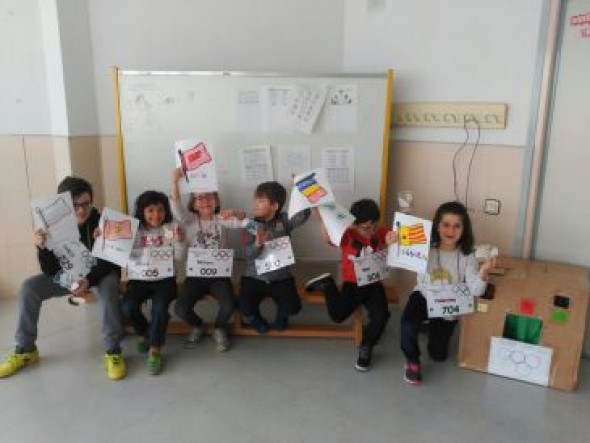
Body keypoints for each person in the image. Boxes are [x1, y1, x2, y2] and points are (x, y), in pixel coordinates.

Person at [0, 176, 126, 380]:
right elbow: (50, 270)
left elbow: (112, 265)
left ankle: (113, 350)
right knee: (29, 287)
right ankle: (25, 349)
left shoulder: (103, 222)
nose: (82, 210)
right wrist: (42, 248)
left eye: (86, 204)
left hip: (97, 277)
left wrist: (90, 277)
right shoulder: (52, 227)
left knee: (110, 282)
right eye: (75, 206)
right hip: (68, 278)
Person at [397, 201, 496, 385]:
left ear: (464, 230)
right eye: (446, 224)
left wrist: (483, 271)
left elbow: (476, 290)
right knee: (407, 326)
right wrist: (394, 241)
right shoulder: (425, 247)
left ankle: (428, 327)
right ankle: (412, 362)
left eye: (457, 226)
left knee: (438, 356)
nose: (451, 230)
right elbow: (402, 253)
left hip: (448, 303)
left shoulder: (468, 256)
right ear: (437, 226)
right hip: (424, 295)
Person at [304, 199, 396, 371]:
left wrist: (393, 238)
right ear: (355, 224)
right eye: (366, 227)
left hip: (374, 283)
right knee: (337, 316)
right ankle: (328, 284)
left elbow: (397, 233)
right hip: (352, 283)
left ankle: (366, 346)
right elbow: (328, 236)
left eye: (374, 225)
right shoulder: (347, 234)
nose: (371, 230)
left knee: (381, 315)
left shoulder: (380, 232)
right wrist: (322, 217)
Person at [170, 168, 246, 352]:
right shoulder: (188, 221)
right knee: (181, 309)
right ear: (193, 204)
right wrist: (175, 181)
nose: (204, 201)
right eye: (199, 198)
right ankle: (197, 325)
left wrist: (237, 213)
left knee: (229, 305)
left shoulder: (222, 219)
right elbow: (175, 206)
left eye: (209, 196)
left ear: (217, 201)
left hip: (219, 276)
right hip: (195, 276)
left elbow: (244, 221)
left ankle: (219, 328)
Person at [120, 190, 183, 375]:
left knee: (160, 308)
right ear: (142, 211)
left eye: (160, 210)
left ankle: (155, 349)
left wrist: (179, 241)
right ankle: (144, 333)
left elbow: (179, 257)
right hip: (139, 280)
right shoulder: (133, 229)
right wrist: (112, 241)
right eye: (150, 210)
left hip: (165, 280)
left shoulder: (170, 227)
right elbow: (124, 256)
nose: (156, 215)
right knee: (127, 307)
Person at [236, 181, 310, 333]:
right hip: (255, 277)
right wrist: (257, 244)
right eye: (255, 200)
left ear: (274, 206)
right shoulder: (250, 225)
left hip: (281, 277)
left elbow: (303, 215)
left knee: (293, 307)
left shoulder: (284, 220)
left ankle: (282, 315)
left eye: (261, 201)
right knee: (243, 306)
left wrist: (300, 191)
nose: (255, 204)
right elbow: (248, 254)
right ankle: (255, 319)